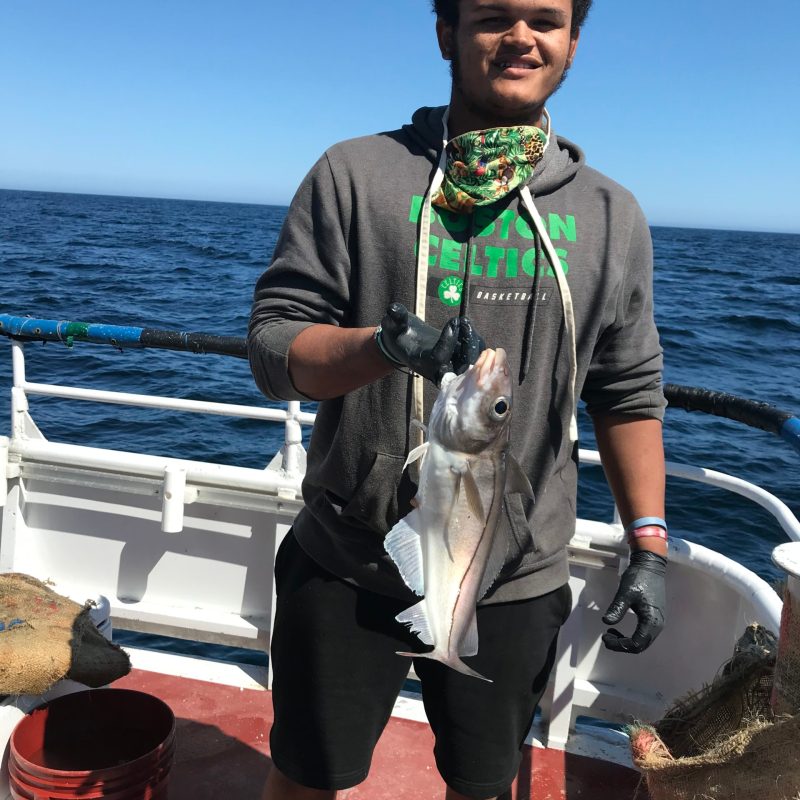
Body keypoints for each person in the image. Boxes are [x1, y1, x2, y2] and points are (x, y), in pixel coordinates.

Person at [248, 1, 668, 798]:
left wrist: (647, 546)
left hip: (512, 579)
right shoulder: (354, 174)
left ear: (573, 42)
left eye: (545, 19)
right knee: (306, 776)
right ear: (447, 33)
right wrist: (380, 348)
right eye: (492, 17)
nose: (520, 37)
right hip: (346, 563)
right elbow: (275, 352)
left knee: (487, 785)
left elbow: (628, 389)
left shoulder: (613, 217)